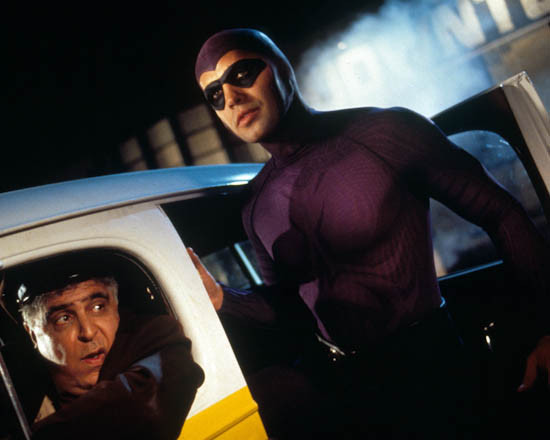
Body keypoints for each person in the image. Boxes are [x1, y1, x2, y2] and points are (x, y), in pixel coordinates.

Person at [191, 29, 550, 438]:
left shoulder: (384, 132)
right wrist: (224, 298)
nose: (231, 98)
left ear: (281, 67)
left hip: (434, 373)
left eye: (241, 74)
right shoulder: (255, 203)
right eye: (215, 94)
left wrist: (545, 326)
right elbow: (290, 311)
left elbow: (501, 214)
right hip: (347, 393)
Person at [1, 253, 204, 440]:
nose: (88, 332)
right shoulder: (12, 382)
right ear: (32, 334)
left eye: (98, 307)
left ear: (116, 307)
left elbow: (149, 407)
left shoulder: (153, 335)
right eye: (64, 318)